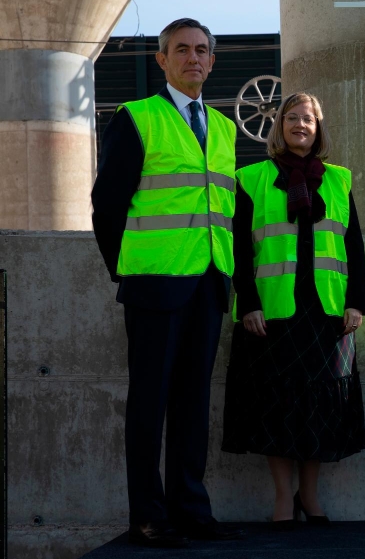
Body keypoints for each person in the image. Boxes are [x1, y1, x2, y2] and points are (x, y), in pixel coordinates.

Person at [91, 18, 246, 548]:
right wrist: (128, 268)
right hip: (154, 285)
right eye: (181, 50)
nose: (193, 58)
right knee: (149, 402)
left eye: (202, 50)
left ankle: (191, 509)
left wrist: (226, 275)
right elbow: (106, 205)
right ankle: (148, 517)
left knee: (193, 403)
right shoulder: (137, 118)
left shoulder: (225, 129)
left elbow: (227, 211)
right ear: (161, 60)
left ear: (213, 60)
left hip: (207, 285)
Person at [221, 92, 365, 529]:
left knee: (320, 408)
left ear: (318, 128)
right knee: (277, 406)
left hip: (326, 312)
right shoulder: (250, 178)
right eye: (291, 117)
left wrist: (357, 302)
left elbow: (353, 245)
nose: (300, 124)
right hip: (272, 313)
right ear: (278, 126)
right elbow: (238, 252)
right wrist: (247, 304)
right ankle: (283, 499)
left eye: (308, 119)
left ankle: (310, 495)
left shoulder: (339, 180)